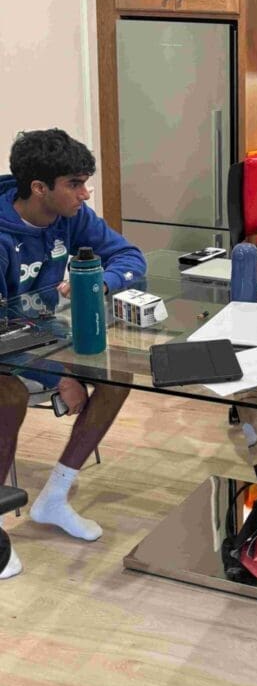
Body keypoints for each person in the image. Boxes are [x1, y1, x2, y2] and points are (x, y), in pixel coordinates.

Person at [0, 129, 146, 580]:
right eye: (76, 184)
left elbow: (130, 256)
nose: (86, 194)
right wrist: (57, 372)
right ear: (40, 188)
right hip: (9, 347)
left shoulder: (71, 216)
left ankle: (55, 497)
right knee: (9, 397)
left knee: (118, 374)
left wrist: (99, 282)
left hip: (37, 336)